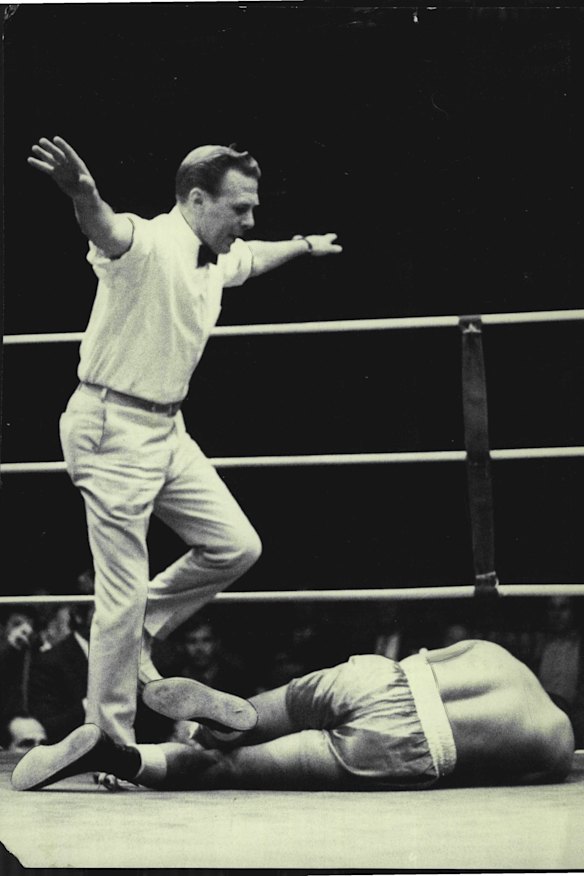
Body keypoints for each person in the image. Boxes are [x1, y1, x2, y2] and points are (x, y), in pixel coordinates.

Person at [27, 135, 342, 746]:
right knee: (119, 590)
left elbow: (252, 257)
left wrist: (302, 246)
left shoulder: (215, 253)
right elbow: (107, 229)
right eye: (239, 208)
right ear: (197, 199)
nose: (249, 221)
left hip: (167, 430)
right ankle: (110, 741)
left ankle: (140, 628)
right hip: (110, 427)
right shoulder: (148, 243)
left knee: (235, 545)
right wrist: (83, 192)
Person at [11, 639, 575, 792]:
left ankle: (228, 720)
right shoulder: (554, 741)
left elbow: (431, 657)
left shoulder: (500, 659)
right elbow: (485, 775)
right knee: (228, 773)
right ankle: (121, 757)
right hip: (408, 742)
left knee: (252, 717)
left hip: (378, 677)